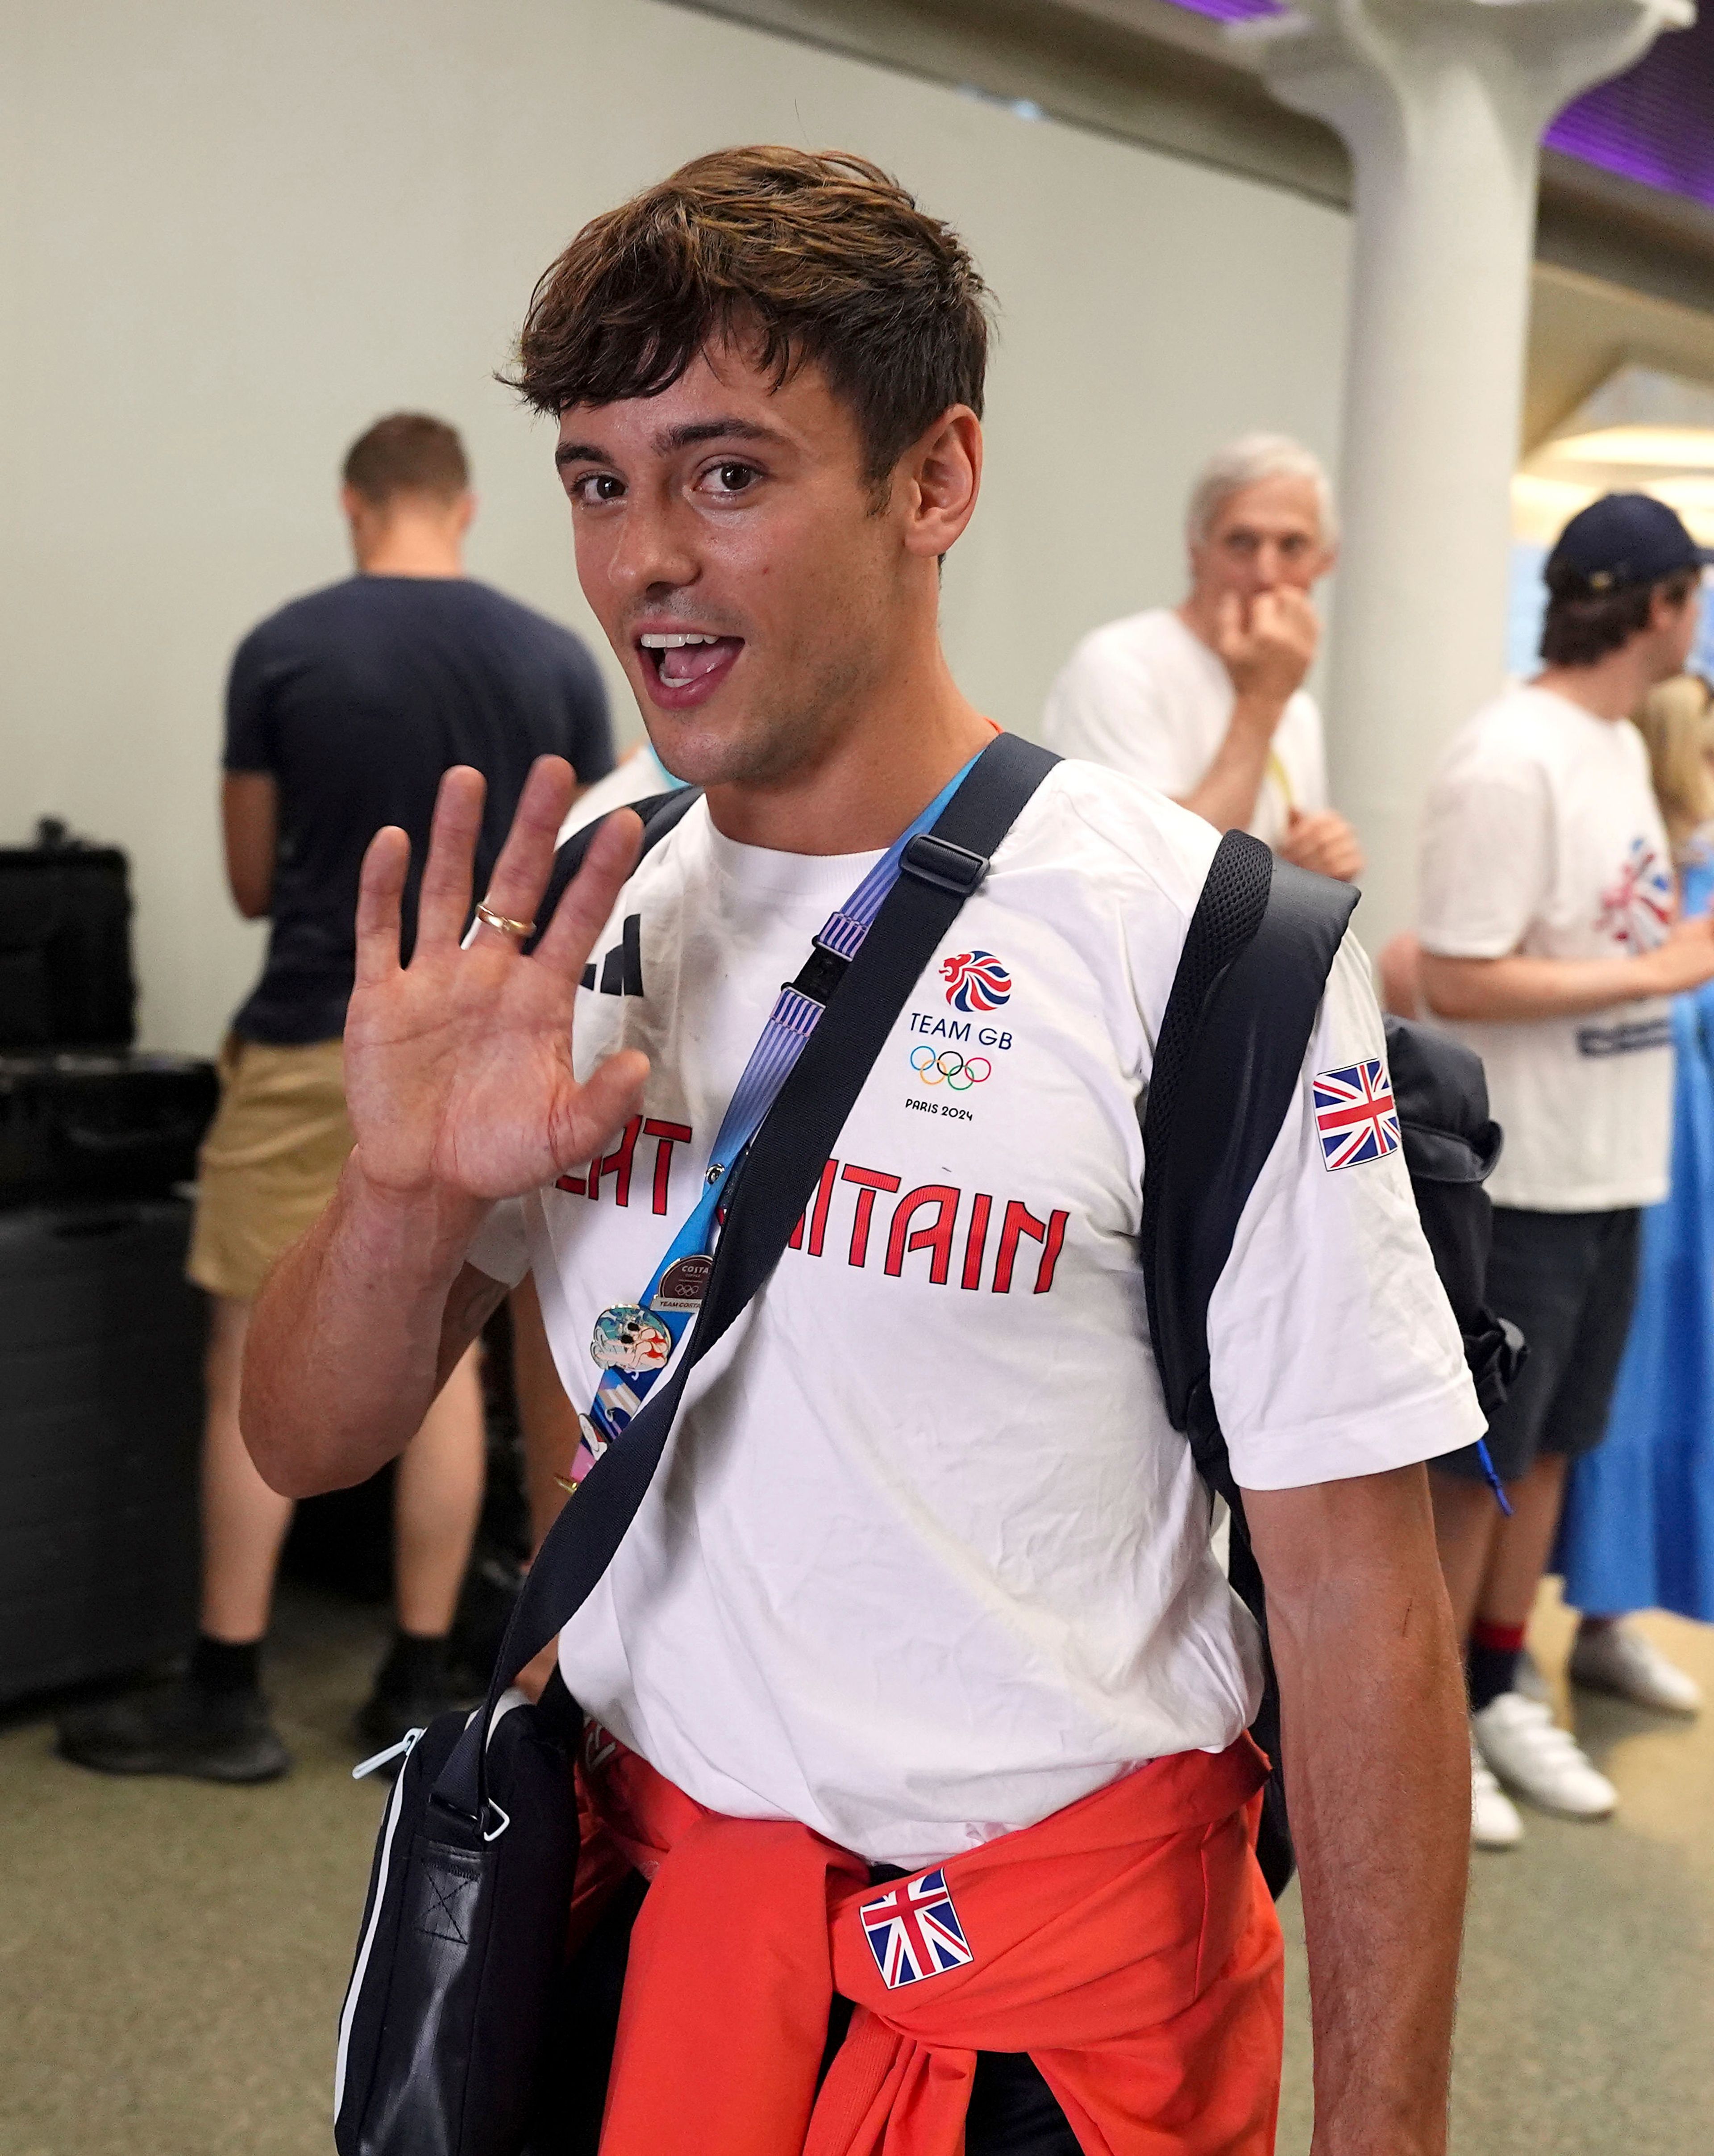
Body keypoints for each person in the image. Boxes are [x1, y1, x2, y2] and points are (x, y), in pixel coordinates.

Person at [243, 150, 1478, 2152]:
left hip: (1039, 2012)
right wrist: (398, 1191)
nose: (645, 557)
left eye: (727, 474)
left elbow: (1357, 1605)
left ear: (934, 479)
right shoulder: (580, 914)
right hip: (640, 1945)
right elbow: (304, 1439)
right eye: (596, 479)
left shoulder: (1197, 945)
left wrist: (1388, 2130)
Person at [58, 413, 614, 1785]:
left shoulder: (285, 646)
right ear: (465, 507)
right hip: (491, 1056)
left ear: (357, 504)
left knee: (256, 1346)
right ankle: (414, 1675)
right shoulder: (554, 656)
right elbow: (600, 862)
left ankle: (226, 1685)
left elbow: (252, 879)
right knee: (440, 1363)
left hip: (322, 1029)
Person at [1416, 494, 1714, 1851]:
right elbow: (1456, 973)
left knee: (1548, 1448)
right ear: (1650, 604)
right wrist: (1649, 971)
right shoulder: (1508, 754)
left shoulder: (1606, 745)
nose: (1696, 620)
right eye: (1689, 595)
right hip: (1521, 1172)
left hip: (1610, 1166)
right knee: (1481, 1460)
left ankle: (1493, 1681)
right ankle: (1425, 1721)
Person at [1556, 671, 1714, 1686]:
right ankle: (1501, 1655)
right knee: (1596, 1392)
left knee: (1663, 1390)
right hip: (1624, 1162)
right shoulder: (1642, 884)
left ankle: (1609, 1616)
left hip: (1683, 1174)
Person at [1041, 433, 1363, 881]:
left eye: (1292, 546)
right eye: (1242, 543)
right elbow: (1156, 875)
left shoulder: (1298, 707)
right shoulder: (1119, 665)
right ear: (1196, 551)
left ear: (1325, 562)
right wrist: (1261, 701)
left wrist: (1320, 862)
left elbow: (1272, 881)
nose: (1267, 574)